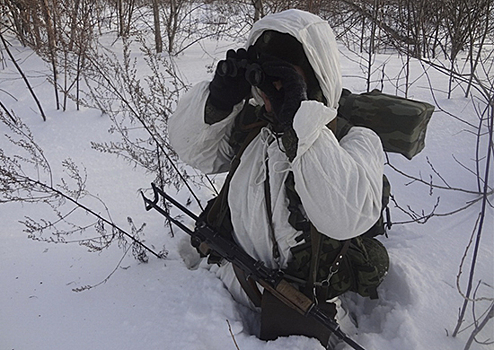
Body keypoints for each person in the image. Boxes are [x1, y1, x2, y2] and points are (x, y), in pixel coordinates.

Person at [169, 9, 384, 347]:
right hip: (234, 282)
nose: (272, 90)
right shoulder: (255, 129)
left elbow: (345, 216)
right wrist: (218, 102)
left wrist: (300, 121)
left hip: (306, 302)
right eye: (266, 77)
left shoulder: (353, 140)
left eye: (285, 78)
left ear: (313, 78)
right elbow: (194, 152)